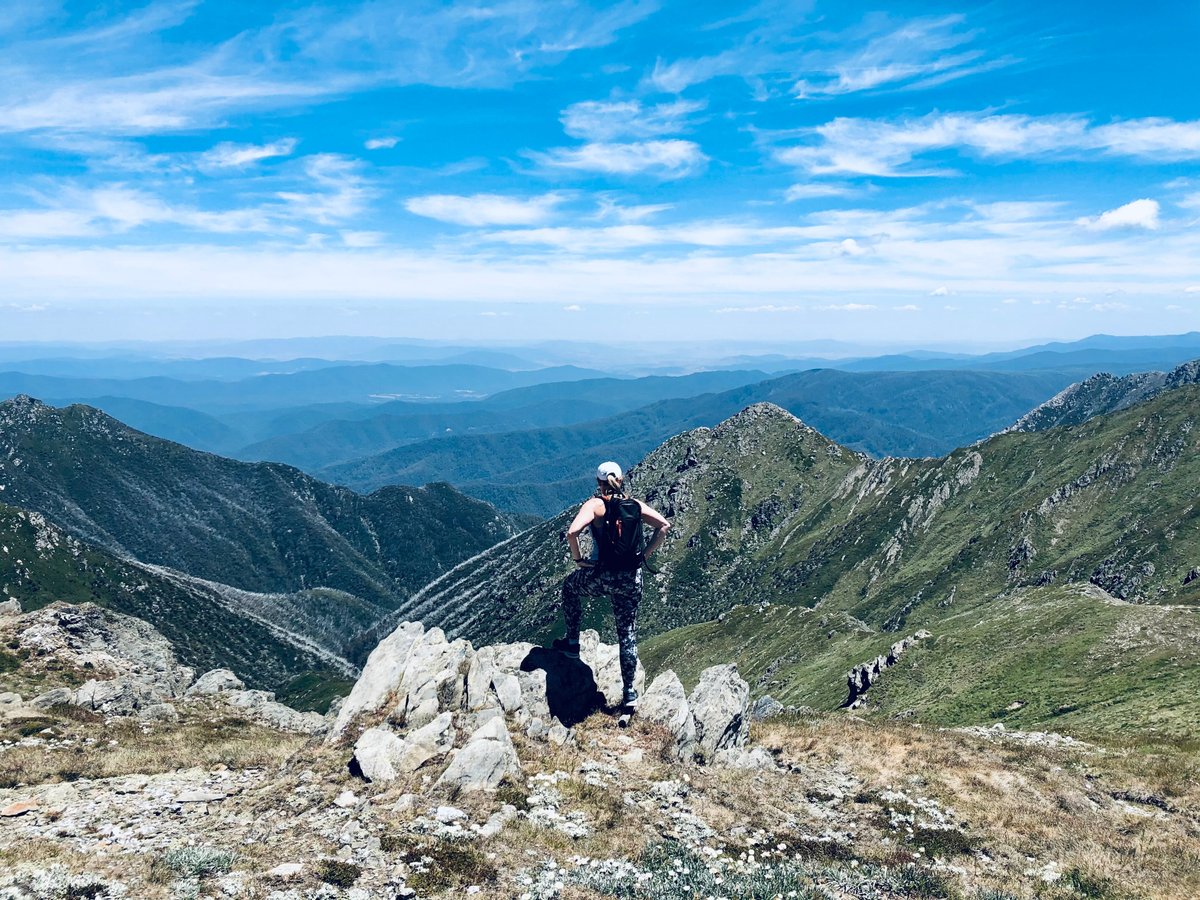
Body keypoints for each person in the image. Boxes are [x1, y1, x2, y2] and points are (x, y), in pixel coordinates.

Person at [553, 460, 671, 710]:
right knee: (626, 633)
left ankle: (572, 644)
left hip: (601, 576)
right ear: (621, 480)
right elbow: (664, 526)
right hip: (630, 578)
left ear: (599, 483)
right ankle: (629, 693)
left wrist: (578, 560)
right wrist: (644, 555)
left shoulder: (596, 505)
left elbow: (573, 532)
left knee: (570, 588)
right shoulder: (634, 506)